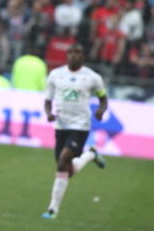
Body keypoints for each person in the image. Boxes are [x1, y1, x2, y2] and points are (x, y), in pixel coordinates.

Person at [42, 43, 108, 219]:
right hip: (61, 126)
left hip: (80, 126)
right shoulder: (56, 75)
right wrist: (49, 114)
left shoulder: (92, 77)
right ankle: (91, 155)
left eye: (77, 53)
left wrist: (101, 110)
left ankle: (52, 209)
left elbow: (103, 98)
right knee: (65, 169)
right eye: (70, 52)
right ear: (66, 55)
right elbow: (47, 101)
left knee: (64, 160)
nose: (73, 55)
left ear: (83, 56)